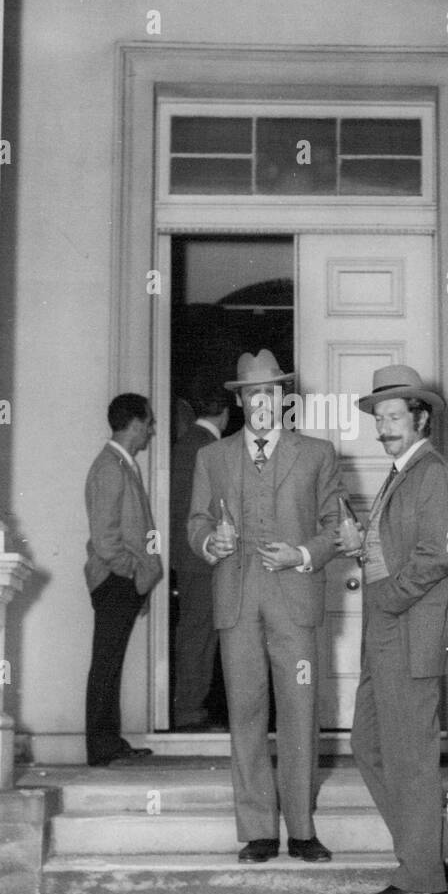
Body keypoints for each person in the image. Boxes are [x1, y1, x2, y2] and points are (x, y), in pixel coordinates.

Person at [187, 349, 343, 863]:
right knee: (246, 713)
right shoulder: (212, 457)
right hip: (236, 602)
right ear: (241, 401)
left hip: (294, 603)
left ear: (283, 399)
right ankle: (258, 829)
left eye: (271, 392)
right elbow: (195, 523)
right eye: (252, 393)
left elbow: (333, 529)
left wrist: (300, 553)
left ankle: (301, 828)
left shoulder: (318, 454)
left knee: (299, 712)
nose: (262, 402)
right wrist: (212, 543)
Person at [348, 365, 448, 894]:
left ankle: (423, 878)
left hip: (408, 635)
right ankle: (443, 852)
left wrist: (387, 597)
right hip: (386, 635)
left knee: (409, 759)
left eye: (394, 416)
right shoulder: (401, 473)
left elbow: (440, 554)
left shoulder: (434, 474)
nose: (384, 427)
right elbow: (399, 550)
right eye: (379, 418)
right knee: (369, 746)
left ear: (420, 418)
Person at [84, 393, 162, 767]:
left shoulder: (123, 465)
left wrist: (141, 576)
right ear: (134, 423)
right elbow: (105, 540)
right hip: (115, 581)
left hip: (124, 580)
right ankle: (100, 748)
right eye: (149, 422)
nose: (152, 430)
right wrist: (133, 573)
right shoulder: (110, 467)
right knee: (106, 663)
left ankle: (108, 742)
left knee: (111, 663)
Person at [170, 375, 230, 730]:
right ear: (224, 412)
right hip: (204, 558)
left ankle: (191, 707)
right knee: (200, 635)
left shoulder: (185, 443)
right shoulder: (209, 448)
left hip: (190, 557)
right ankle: (190, 710)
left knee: (198, 634)